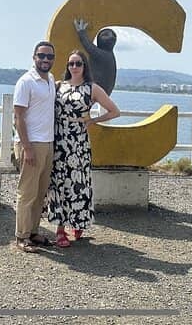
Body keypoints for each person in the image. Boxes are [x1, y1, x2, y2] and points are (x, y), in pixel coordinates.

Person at [44, 50, 120, 248]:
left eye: (78, 63)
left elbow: (114, 111)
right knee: (59, 182)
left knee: (78, 182)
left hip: (78, 142)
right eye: (71, 64)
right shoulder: (59, 86)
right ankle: (60, 230)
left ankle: (78, 222)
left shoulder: (92, 88)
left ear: (85, 66)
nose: (74, 67)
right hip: (59, 139)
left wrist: (93, 120)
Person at [12, 41, 58, 253]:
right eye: (42, 56)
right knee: (27, 192)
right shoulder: (25, 82)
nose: (45, 60)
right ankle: (21, 236)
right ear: (34, 57)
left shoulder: (49, 81)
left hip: (47, 143)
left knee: (40, 193)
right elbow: (18, 117)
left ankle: (33, 231)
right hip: (31, 144)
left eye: (49, 56)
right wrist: (27, 147)